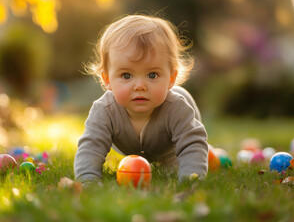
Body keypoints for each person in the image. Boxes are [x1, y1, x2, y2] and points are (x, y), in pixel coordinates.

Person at [74, 14, 208, 184]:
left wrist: (191, 179)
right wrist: (88, 180)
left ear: (171, 78)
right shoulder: (104, 110)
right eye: (126, 75)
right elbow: (91, 146)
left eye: (152, 75)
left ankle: (201, 155)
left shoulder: (178, 108)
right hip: (134, 151)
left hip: (170, 150)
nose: (139, 86)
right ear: (107, 80)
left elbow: (192, 143)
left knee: (176, 165)